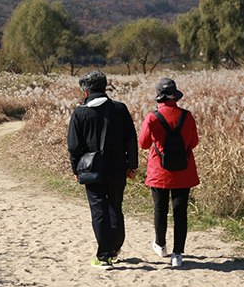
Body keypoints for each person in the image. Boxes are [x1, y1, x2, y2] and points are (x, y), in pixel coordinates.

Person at [67, 70, 138, 269]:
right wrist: (132, 165)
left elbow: (73, 146)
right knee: (116, 207)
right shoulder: (120, 109)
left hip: (91, 170)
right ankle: (115, 248)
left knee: (99, 210)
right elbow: (130, 139)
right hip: (118, 168)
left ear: (85, 91)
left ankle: (104, 256)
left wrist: (76, 169)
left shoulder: (80, 112)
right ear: (105, 87)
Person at [139, 78, 199, 268]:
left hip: (159, 171)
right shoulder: (187, 116)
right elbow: (194, 143)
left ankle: (161, 245)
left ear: (159, 97)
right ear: (175, 95)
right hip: (184, 170)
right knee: (180, 212)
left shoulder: (152, 117)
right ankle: (177, 255)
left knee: (160, 210)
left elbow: (143, 144)